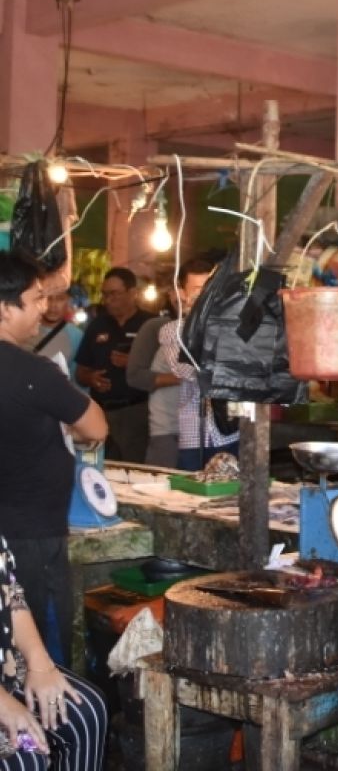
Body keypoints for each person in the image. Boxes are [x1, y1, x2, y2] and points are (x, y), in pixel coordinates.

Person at [0, 252, 107, 666]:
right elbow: (96, 428)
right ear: (6, 308)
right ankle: (50, 730)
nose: (43, 309)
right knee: (42, 658)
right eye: (36, 298)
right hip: (31, 540)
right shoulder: (35, 372)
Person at [0, 535, 107, 770]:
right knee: (24, 758)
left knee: (85, 712)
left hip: (5, 666)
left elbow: (10, 592)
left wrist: (40, 664)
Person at [159, 259, 236, 471]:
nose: (204, 296)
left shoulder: (229, 325)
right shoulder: (173, 330)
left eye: (210, 289)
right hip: (196, 435)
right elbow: (187, 369)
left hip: (232, 430)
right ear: (183, 293)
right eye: (197, 290)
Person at [74, 268, 151, 462]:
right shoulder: (97, 325)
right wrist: (90, 378)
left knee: (134, 468)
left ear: (133, 293)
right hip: (100, 412)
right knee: (98, 467)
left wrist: (133, 364)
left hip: (137, 413)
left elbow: (167, 371)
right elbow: (80, 372)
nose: (108, 300)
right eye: (105, 294)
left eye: (114, 294)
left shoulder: (150, 325)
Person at [126, 291, 181, 469]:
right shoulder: (157, 327)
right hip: (167, 429)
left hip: (202, 430)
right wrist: (186, 377)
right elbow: (135, 376)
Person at [28, 287, 82, 380]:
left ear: (68, 301)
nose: (53, 305)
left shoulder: (76, 336)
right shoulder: (25, 328)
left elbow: (75, 379)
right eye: (48, 298)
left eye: (60, 299)